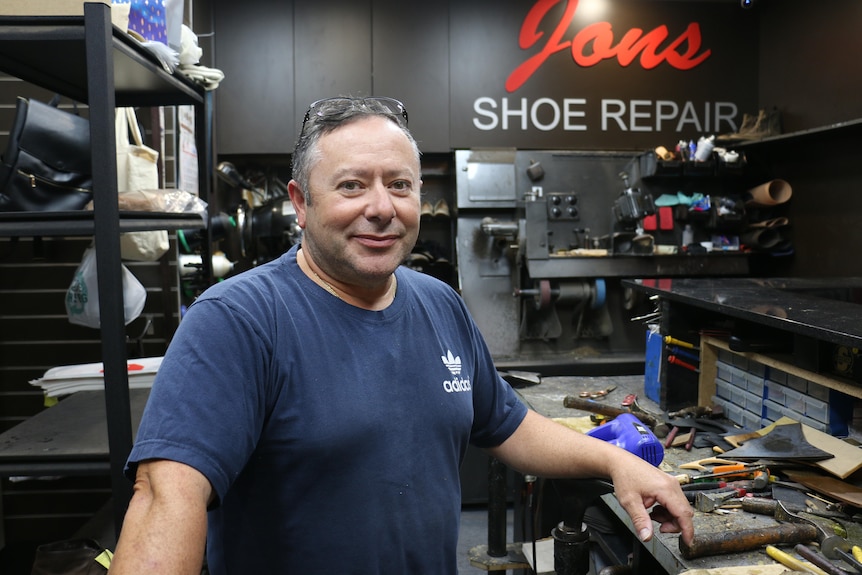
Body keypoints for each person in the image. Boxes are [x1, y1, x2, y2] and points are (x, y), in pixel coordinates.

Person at [109, 96, 694, 574]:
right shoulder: (238, 319)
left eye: (400, 184)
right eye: (351, 186)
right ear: (300, 204)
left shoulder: (439, 302)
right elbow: (167, 495)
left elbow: (507, 425)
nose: (381, 208)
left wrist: (616, 463)